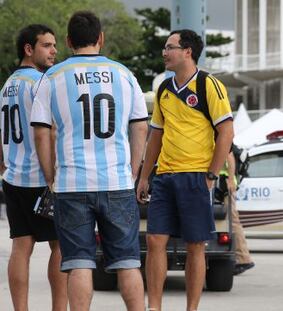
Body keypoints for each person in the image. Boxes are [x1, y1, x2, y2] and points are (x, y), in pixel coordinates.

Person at [31, 11, 148, 310]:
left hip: (72, 183)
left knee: (79, 263)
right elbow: (140, 127)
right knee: (128, 262)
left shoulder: (52, 77)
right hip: (117, 181)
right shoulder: (125, 75)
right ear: (101, 38)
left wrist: (50, 177)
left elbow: (42, 134)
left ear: (69, 41)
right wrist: (133, 172)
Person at [136, 29, 234, 311]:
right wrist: (145, 176)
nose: (165, 52)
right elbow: (155, 135)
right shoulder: (164, 90)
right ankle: (154, 307)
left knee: (195, 246)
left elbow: (226, 133)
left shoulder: (209, 85)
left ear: (187, 51)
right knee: (154, 240)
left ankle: (191, 308)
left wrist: (211, 176)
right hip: (164, 177)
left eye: (170, 47)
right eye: (165, 48)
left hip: (196, 176)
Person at [0, 24, 68, 311]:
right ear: (29, 49)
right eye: (47, 45)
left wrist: (3, 166)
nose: (54, 51)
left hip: (13, 177)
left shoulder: (6, 86)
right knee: (61, 247)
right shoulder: (41, 82)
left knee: (21, 246)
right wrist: (53, 175)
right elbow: (49, 132)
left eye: (54, 45)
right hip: (41, 178)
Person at [219, 151, 255, 275]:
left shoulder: (219, 136)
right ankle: (241, 258)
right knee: (230, 221)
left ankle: (243, 259)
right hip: (221, 184)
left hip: (224, 185)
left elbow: (229, 156)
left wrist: (230, 179)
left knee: (232, 221)